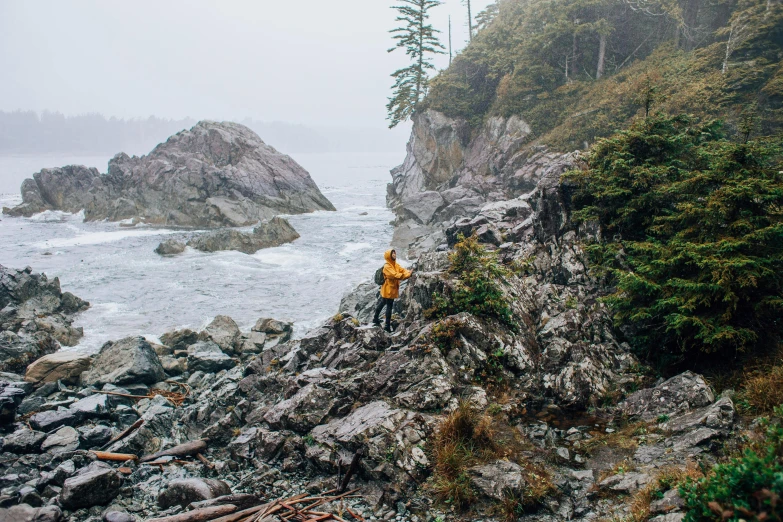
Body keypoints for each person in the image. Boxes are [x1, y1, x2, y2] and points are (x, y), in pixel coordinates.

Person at [372, 249, 412, 332]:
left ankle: (375, 318)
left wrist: (407, 272)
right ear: (389, 256)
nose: (394, 254)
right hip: (388, 290)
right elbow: (395, 275)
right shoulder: (387, 266)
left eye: (394, 253)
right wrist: (408, 275)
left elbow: (402, 270)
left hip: (391, 289)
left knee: (382, 303)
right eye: (392, 253)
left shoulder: (395, 264)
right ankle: (387, 326)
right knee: (389, 306)